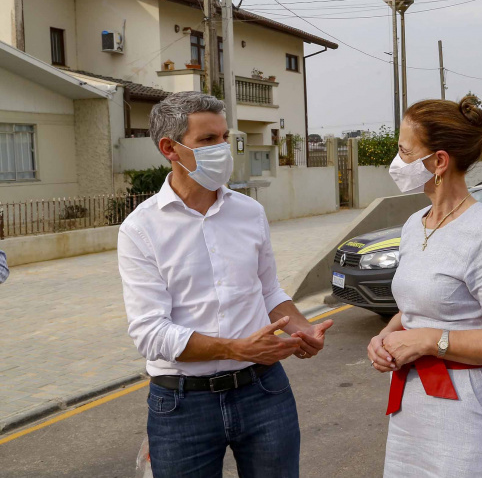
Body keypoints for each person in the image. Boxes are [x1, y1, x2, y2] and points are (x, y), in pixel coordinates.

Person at [118, 91, 332, 478]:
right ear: (170, 147)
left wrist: (301, 328)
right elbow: (150, 333)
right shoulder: (140, 228)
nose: (222, 148)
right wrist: (236, 347)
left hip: (264, 390)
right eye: (207, 139)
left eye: (223, 136)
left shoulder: (249, 212)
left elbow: (268, 290)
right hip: (182, 404)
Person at [367, 96, 482, 477]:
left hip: (466, 418)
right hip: (412, 415)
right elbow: (419, 306)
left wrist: (426, 341)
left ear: (439, 161)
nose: (397, 161)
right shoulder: (414, 224)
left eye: (405, 151)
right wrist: (386, 337)